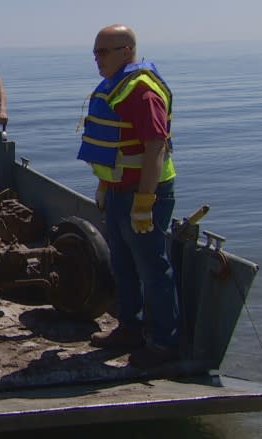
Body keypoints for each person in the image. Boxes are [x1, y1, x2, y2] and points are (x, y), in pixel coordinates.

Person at [77, 24, 179, 369]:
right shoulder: (115, 87)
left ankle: (162, 343)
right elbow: (116, 148)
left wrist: (145, 202)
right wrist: (105, 186)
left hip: (143, 193)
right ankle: (129, 328)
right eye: (94, 52)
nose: (97, 59)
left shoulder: (142, 91)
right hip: (119, 191)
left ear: (126, 51)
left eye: (103, 52)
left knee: (152, 269)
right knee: (122, 264)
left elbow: (155, 148)